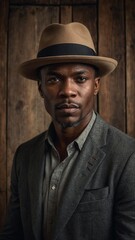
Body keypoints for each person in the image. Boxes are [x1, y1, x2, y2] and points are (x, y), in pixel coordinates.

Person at [0, 22, 135, 240]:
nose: (67, 91)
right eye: (54, 79)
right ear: (41, 88)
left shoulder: (127, 156)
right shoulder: (24, 156)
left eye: (80, 79)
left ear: (96, 85)